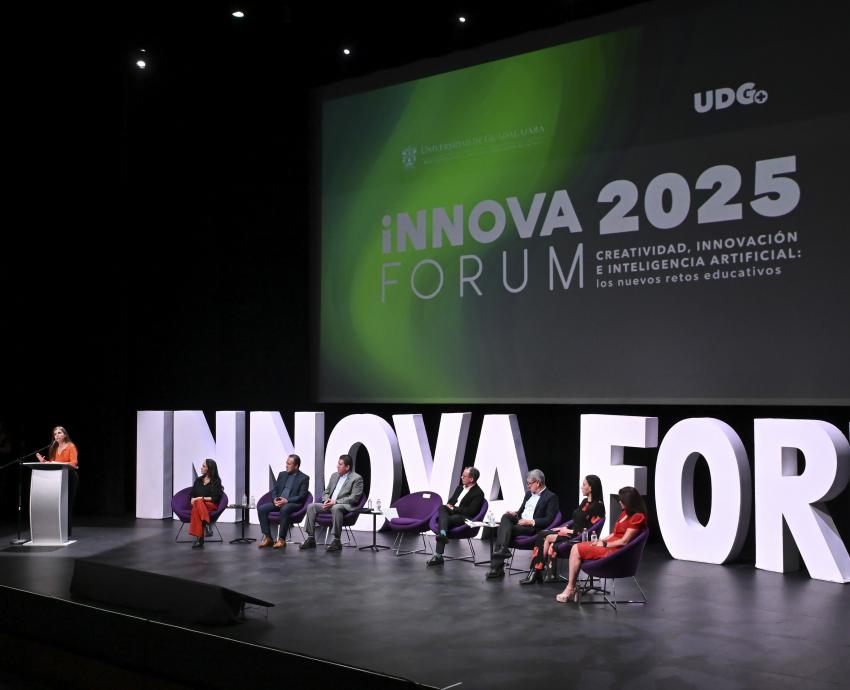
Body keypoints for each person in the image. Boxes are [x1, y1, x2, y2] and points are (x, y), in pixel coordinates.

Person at [556, 485, 648, 602]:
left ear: (629, 502)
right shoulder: (625, 513)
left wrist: (605, 545)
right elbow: (614, 533)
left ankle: (570, 589)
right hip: (609, 545)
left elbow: (624, 541)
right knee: (576, 547)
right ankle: (571, 588)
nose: (619, 502)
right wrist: (601, 541)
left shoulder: (638, 517)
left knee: (577, 549)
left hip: (616, 551)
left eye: (622, 500)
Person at [520, 474, 605, 585]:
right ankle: (537, 571)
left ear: (591, 487)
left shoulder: (598, 506)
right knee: (542, 533)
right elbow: (576, 520)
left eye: (584, 485)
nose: (581, 487)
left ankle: (535, 572)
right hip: (571, 532)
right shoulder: (585, 502)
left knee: (545, 536)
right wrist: (564, 527)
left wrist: (570, 531)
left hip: (579, 536)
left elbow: (590, 530)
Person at [485, 469, 559, 579]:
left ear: (537, 483)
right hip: (520, 521)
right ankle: (502, 551)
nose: (528, 486)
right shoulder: (528, 494)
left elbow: (549, 519)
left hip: (531, 527)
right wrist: (515, 513)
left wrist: (530, 522)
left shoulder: (551, 497)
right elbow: (521, 511)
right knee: (506, 517)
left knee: (503, 529)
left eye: (529, 483)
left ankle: (497, 567)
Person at [300, 454, 364, 552]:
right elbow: (326, 491)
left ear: (347, 467)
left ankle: (336, 541)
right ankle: (311, 538)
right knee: (311, 506)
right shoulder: (335, 475)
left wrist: (335, 502)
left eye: (340, 464)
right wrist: (326, 500)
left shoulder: (357, 478)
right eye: (338, 464)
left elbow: (354, 498)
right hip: (330, 503)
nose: (337, 466)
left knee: (336, 507)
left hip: (344, 506)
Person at [427, 466, 485, 566]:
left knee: (443, 520)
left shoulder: (478, 493)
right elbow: (451, 501)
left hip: (464, 518)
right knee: (442, 507)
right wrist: (450, 506)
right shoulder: (459, 488)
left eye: (464, 476)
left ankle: (438, 555)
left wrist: (454, 509)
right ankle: (443, 535)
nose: (461, 477)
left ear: (471, 479)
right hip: (452, 513)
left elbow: (471, 512)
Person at [258, 454, 309, 550]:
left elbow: (302, 497)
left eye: (289, 464)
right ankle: (268, 537)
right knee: (262, 509)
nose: (286, 466)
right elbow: (275, 490)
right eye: (286, 463)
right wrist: (275, 499)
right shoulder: (282, 474)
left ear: (296, 466)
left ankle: (281, 539)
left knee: (285, 509)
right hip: (279, 502)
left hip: (292, 504)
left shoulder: (304, 478)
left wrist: (287, 501)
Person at [36, 426, 79, 537]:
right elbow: (53, 463)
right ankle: (57, 530)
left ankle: (66, 532)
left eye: (59, 433)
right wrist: (44, 462)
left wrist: (57, 463)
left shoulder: (71, 446)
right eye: (55, 434)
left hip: (70, 476)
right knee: (58, 504)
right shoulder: (54, 448)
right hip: (58, 477)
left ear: (64, 435)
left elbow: (74, 462)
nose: (57, 435)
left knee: (67, 505)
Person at [188, 459, 224, 549]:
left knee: (198, 503)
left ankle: (199, 539)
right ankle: (207, 524)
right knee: (197, 504)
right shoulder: (198, 481)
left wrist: (201, 498)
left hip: (210, 505)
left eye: (204, 466)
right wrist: (194, 499)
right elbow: (192, 496)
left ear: (210, 469)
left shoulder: (216, 481)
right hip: (199, 505)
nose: (201, 468)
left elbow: (215, 498)